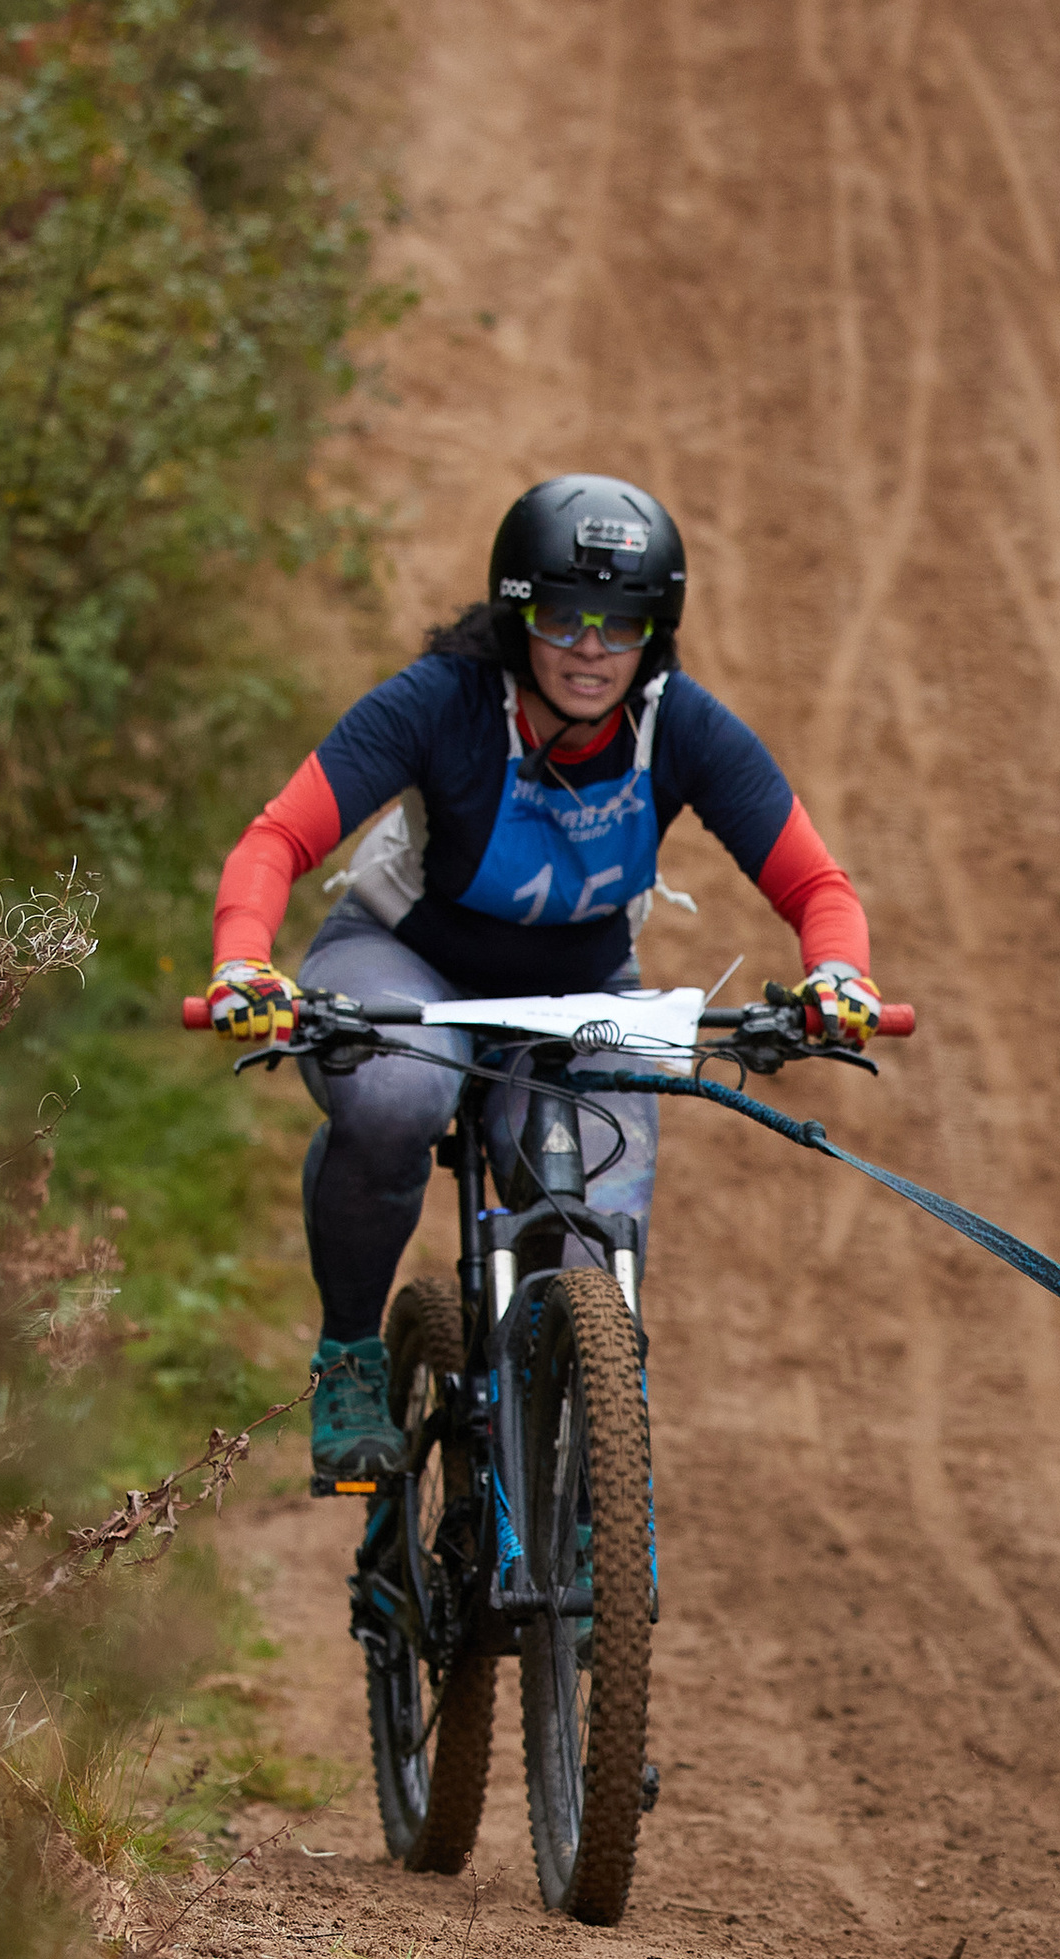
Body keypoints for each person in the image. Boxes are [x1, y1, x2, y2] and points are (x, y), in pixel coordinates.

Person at [204, 474, 881, 1483]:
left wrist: (839, 976)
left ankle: (569, 1429)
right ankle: (350, 1349)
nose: (591, 649)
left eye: (622, 624)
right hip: (405, 962)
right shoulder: (441, 702)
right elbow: (279, 836)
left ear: (656, 630)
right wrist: (242, 961)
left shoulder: (678, 725)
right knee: (395, 1097)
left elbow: (814, 881)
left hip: (577, 997)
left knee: (596, 1225)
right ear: (517, 612)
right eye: (565, 618)